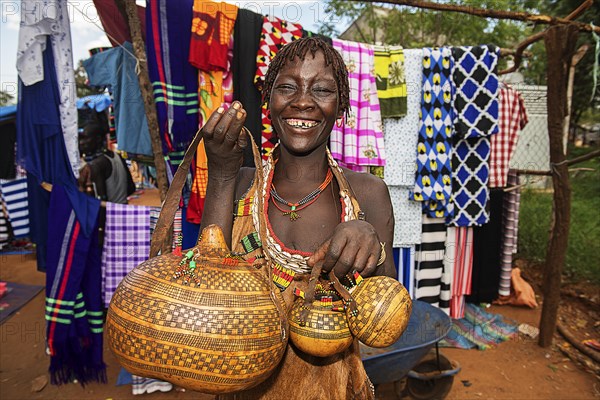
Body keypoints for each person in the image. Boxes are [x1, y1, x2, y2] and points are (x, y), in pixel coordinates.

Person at [201, 37, 395, 399]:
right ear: (267, 100)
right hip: (241, 389)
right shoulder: (241, 183)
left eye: (321, 89)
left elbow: (383, 323)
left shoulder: (367, 194)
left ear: (341, 108)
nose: (302, 101)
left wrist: (370, 238)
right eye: (287, 87)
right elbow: (204, 287)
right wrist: (222, 175)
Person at [77, 120, 135, 204]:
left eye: (85, 138)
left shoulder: (96, 165)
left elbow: (100, 200)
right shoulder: (117, 156)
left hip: (109, 214)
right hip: (123, 207)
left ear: (98, 139)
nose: (81, 143)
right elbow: (131, 188)